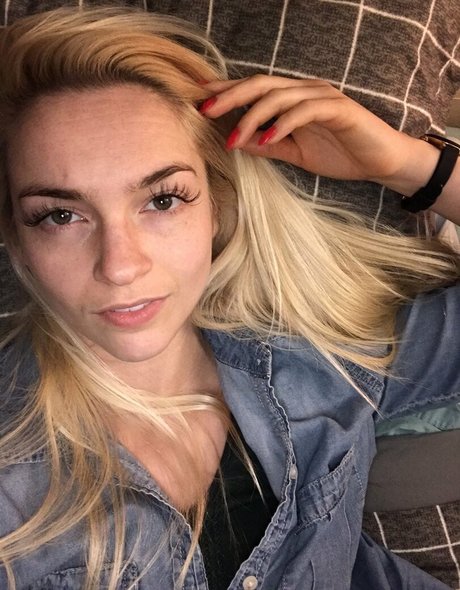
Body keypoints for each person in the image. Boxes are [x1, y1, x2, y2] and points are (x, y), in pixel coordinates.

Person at [0, 7, 459, 590]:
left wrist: (407, 164)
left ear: (215, 207)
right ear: (16, 235)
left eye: (163, 200)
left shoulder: (321, 358)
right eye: (60, 216)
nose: (120, 266)